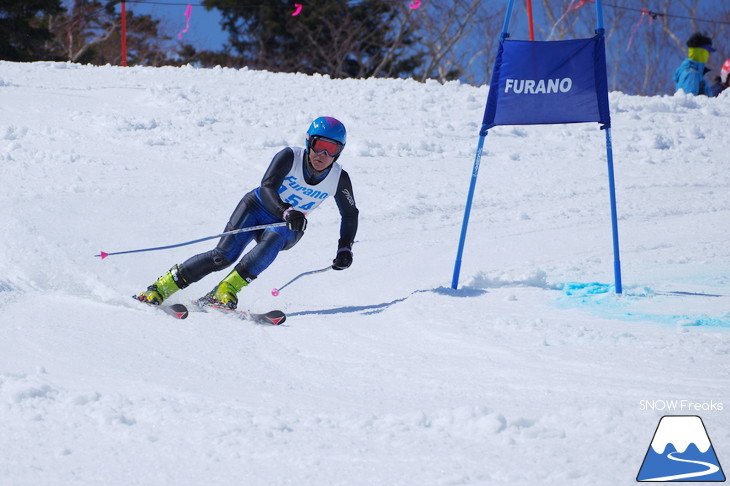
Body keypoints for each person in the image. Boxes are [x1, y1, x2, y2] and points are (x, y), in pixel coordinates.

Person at [135, 116, 359, 309]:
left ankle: (225, 290)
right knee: (222, 256)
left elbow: (349, 214)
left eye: (331, 150)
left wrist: (345, 247)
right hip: (257, 208)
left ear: (339, 153)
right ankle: (161, 287)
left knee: (277, 235)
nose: (323, 154)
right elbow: (267, 186)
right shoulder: (290, 156)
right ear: (309, 142)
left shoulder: (339, 179)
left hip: (287, 225)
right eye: (319, 145)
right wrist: (286, 211)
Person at [673, 32, 715, 97]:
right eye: (708, 52)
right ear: (702, 52)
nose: (709, 55)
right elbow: (689, 103)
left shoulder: (694, 74)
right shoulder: (692, 74)